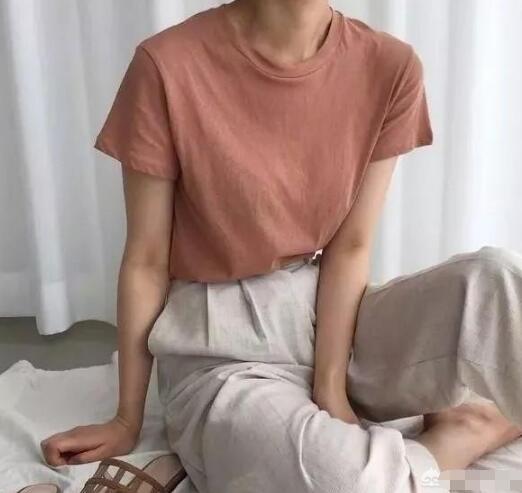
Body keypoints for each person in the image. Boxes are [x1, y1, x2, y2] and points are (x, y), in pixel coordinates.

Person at [40, 1, 522, 492]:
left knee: (495, 280)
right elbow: (146, 261)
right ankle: (467, 432)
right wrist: (127, 419)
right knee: (346, 481)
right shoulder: (167, 65)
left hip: (327, 315)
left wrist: (330, 387)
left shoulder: (389, 65)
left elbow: (350, 247)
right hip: (215, 344)